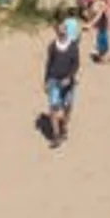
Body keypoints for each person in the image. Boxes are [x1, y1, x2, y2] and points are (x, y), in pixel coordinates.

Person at [43, 18, 80, 148]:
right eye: (60, 29)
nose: (62, 31)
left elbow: (76, 64)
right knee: (53, 107)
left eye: (64, 28)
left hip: (68, 82)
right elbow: (48, 64)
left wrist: (69, 77)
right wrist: (46, 80)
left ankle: (64, 125)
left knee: (67, 106)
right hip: (54, 79)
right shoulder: (52, 46)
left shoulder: (73, 46)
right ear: (56, 31)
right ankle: (56, 135)